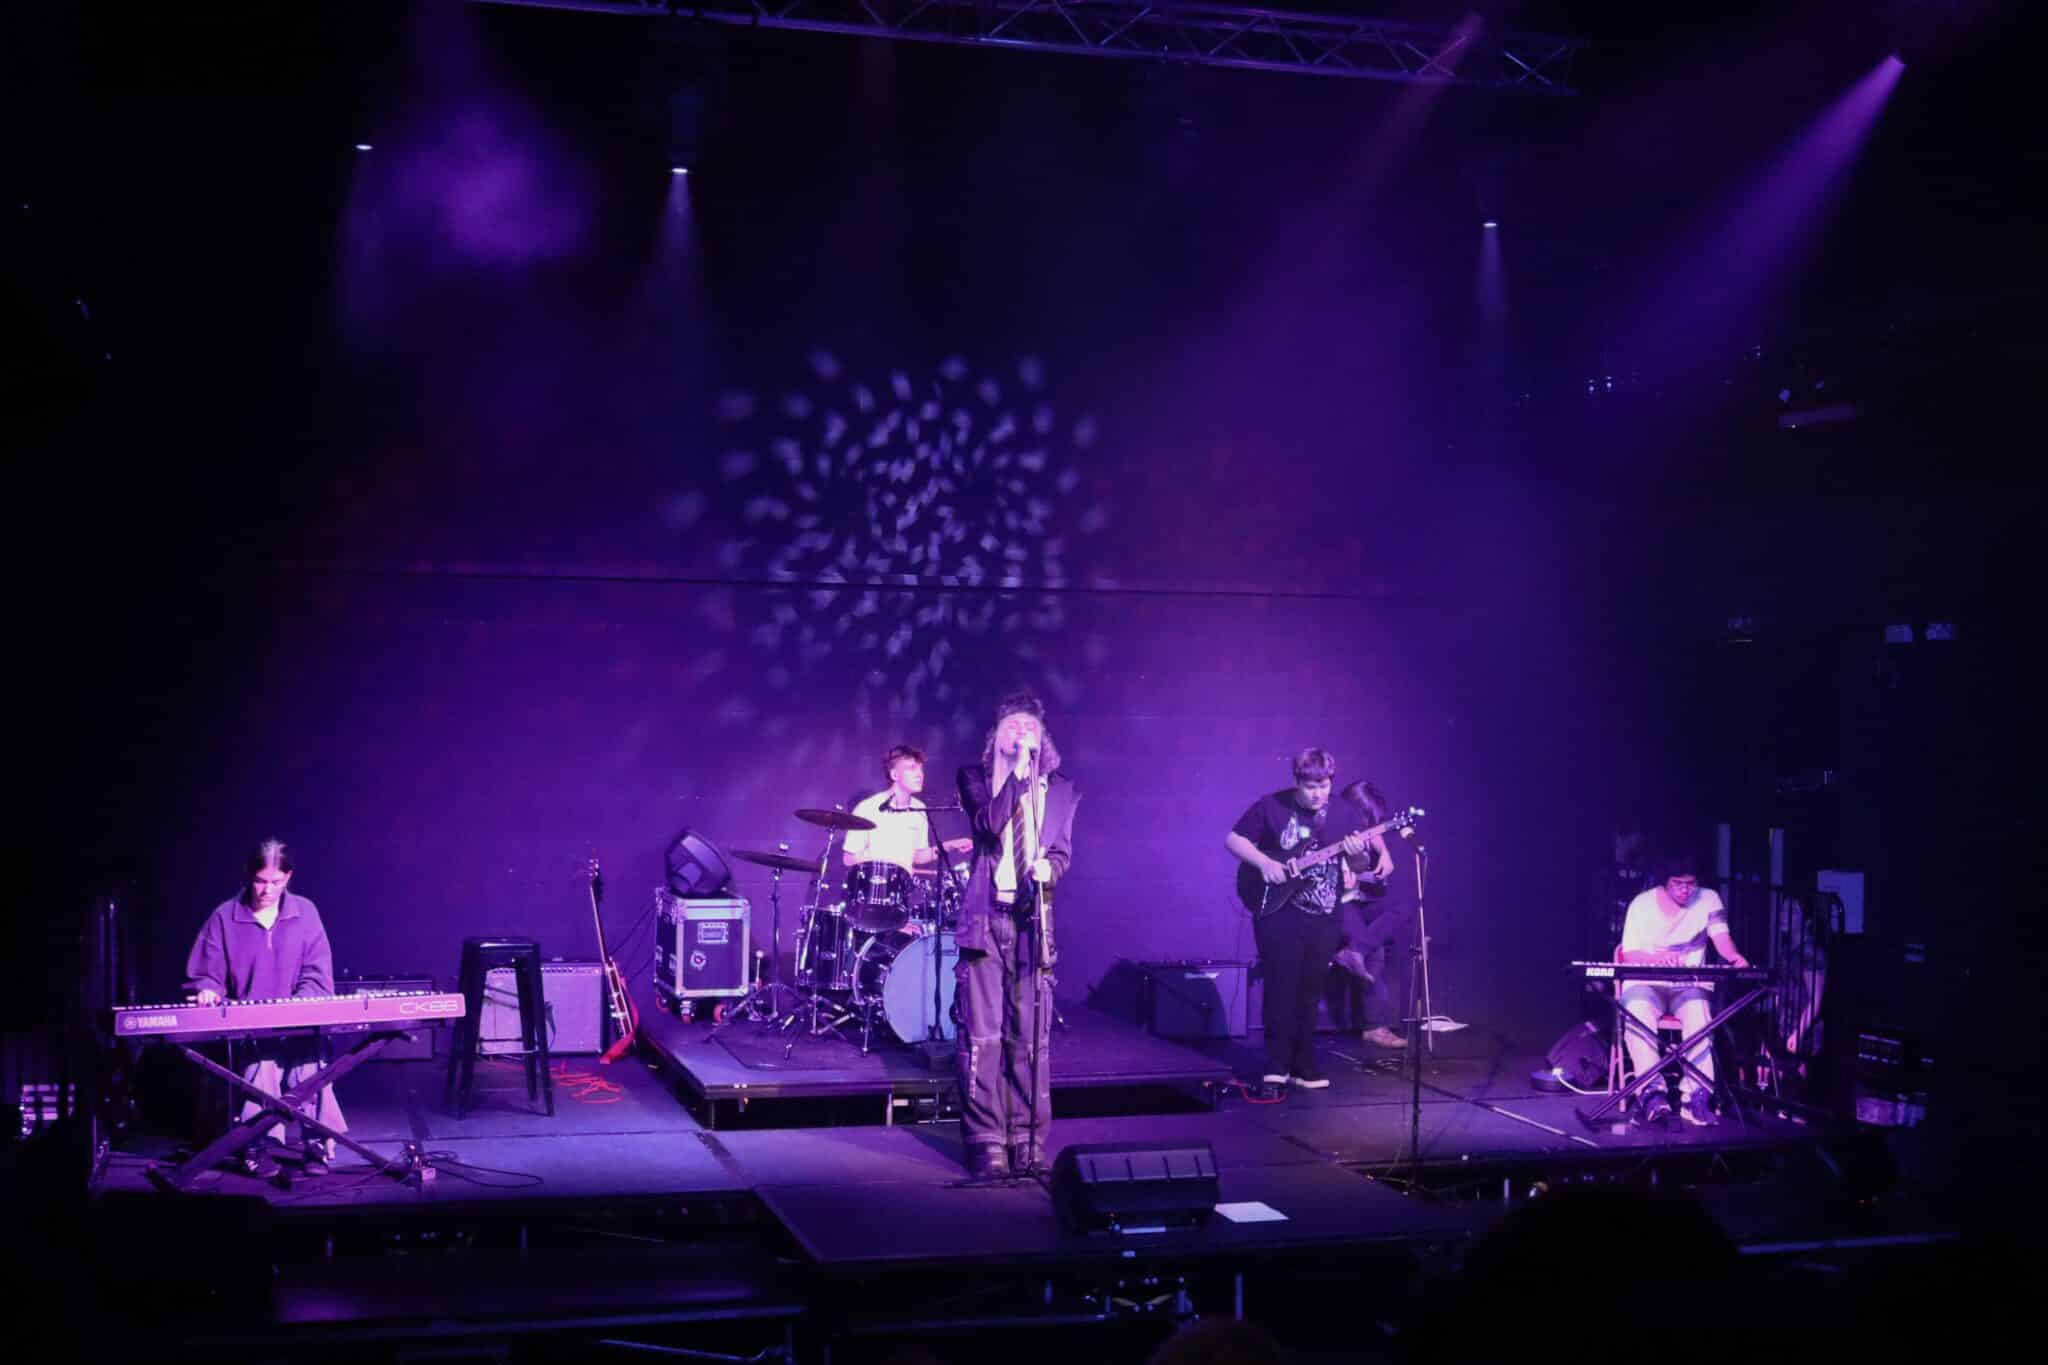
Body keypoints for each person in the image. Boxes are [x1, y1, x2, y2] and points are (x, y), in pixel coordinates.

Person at [954, 691, 1079, 1179]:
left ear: (1044, 737)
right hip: (988, 921)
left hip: (1033, 924)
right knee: (982, 1037)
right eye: (1012, 726)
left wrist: (1052, 869)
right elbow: (987, 825)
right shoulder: (976, 779)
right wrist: (1019, 778)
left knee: (1030, 1040)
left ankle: (1028, 1140)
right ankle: (987, 1143)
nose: (1021, 732)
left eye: (1030, 726)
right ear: (996, 737)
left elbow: (1063, 853)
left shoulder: (1064, 790)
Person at [184, 839, 346, 1176]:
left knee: (312, 1062)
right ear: (248, 877)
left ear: (289, 877)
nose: (266, 890)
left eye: (275, 882)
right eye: (260, 881)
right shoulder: (224, 917)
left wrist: (293, 1010)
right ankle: (258, 1144)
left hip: (299, 1026)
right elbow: (205, 975)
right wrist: (208, 991)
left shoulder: (306, 912)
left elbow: (317, 974)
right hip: (250, 1032)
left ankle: (317, 1142)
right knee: (262, 1064)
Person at [1226, 748, 1368, 1089]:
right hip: (1278, 912)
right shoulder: (1272, 806)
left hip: (1324, 916)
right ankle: (1277, 1063)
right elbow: (1233, 839)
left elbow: (1360, 866)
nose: (1318, 793)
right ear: (1296, 782)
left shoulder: (1346, 814)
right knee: (1280, 985)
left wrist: (1358, 854)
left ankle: (1305, 1065)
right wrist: (1266, 864)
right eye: (1310, 787)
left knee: (1310, 990)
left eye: (1324, 785)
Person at [1616, 851, 1751, 1127]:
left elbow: (1721, 937)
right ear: (1665, 882)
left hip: (1687, 983)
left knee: (1699, 1015)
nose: (1685, 890)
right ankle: (1652, 1094)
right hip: (1647, 982)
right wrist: (1656, 960)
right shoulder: (1641, 905)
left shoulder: (1709, 898)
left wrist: (1734, 957)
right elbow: (1628, 954)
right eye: (1678, 883)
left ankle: (1697, 1096)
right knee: (1636, 1011)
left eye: (1690, 883)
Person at [842, 743, 973, 922]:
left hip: (901, 896)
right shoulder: (868, 808)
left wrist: (950, 845)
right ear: (894, 774)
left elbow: (918, 856)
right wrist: (886, 860)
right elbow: (848, 859)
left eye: (921, 769)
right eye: (912, 768)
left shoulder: (920, 809)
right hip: (872, 896)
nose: (920, 774)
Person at [1331, 778, 1407, 1050]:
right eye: (1364, 820)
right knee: (1375, 950)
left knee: (1403, 906)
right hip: (1334, 903)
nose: (1367, 827)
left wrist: (1384, 853)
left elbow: (1374, 833)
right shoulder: (1327, 824)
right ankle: (1374, 1027)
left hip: (1358, 898)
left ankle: (1354, 951)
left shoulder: (1364, 829)